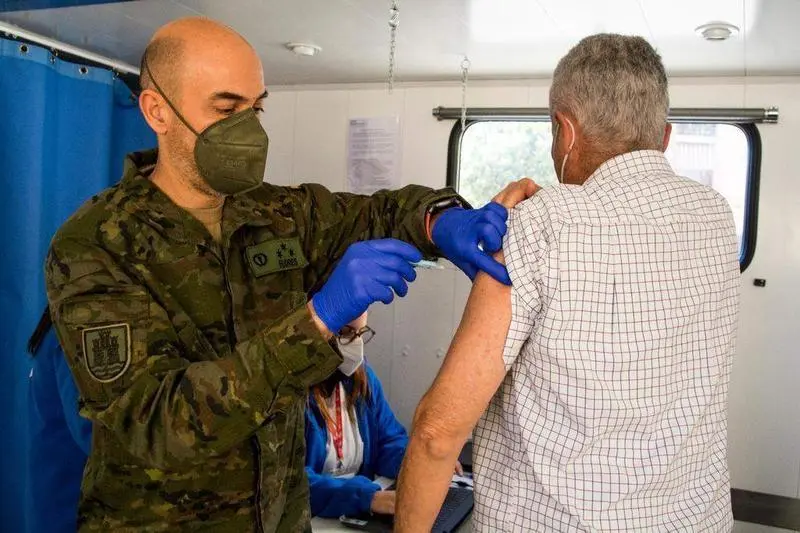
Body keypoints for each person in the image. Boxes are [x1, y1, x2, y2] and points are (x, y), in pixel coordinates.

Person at [44, 16, 535, 531]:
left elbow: (380, 212)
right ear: (157, 111)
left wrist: (441, 221)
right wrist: (316, 321)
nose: (249, 130)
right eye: (227, 108)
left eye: (256, 107)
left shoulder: (278, 214)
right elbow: (157, 424)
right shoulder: (95, 245)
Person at [396, 33, 740, 532]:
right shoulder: (715, 214)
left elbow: (437, 431)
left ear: (565, 131)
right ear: (664, 137)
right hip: (695, 520)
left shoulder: (542, 223)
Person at [304, 312, 461, 519]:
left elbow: (389, 441)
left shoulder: (364, 379)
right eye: (345, 332)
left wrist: (418, 463)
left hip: (353, 513)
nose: (356, 344)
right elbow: (291, 484)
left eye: (360, 333)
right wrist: (367, 498)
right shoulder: (291, 396)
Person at [26, 308, 91, 533]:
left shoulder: (59, 327)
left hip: (59, 508)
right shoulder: (74, 333)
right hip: (72, 513)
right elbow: (95, 436)